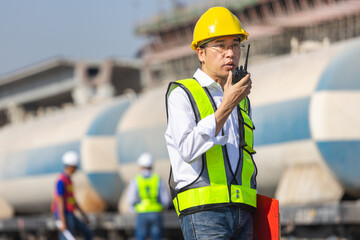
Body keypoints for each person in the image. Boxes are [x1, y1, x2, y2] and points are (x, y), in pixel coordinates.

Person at [165, 6, 257, 240]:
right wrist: (226, 106)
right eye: (221, 45)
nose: (230, 53)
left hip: (243, 211)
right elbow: (188, 150)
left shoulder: (241, 99)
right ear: (200, 52)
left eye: (235, 45)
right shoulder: (182, 94)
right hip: (204, 214)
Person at [126, 152, 171, 240]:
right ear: (152, 166)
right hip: (156, 213)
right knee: (156, 237)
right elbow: (166, 200)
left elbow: (130, 199)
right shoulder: (157, 179)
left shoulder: (136, 180)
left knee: (141, 237)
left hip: (141, 214)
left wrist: (133, 207)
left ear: (140, 166)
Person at [51, 151, 93, 240]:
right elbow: (60, 201)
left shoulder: (68, 180)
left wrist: (83, 215)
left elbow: (73, 200)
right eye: (76, 166)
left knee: (87, 232)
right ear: (71, 166)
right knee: (66, 237)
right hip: (63, 215)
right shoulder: (61, 181)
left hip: (70, 213)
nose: (76, 169)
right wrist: (62, 221)